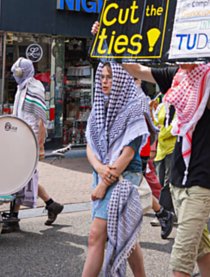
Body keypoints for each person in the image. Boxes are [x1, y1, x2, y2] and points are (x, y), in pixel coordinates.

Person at [92, 20, 210, 277]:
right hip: (178, 179)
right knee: (200, 251)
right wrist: (108, 39)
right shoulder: (177, 76)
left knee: (181, 257)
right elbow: (136, 69)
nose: (178, 58)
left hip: (203, 180)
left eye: (182, 52)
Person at [82, 62, 150, 277]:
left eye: (110, 77)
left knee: (96, 236)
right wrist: (99, 168)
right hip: (102, 173)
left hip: (123, 176)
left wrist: (104, 182)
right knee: (125, 234)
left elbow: (128, 153)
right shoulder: (100, 104)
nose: (104, 81)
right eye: (101, 76)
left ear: (122, 79)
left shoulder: (136, 106)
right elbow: (89, 144)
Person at [4, 58, 63, 232]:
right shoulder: (21, 87)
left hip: (29, 140)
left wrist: (41, 146)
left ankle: (14, 218)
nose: (16, 76)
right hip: (19, 138)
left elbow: (41, 121)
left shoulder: (34, 88)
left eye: (18, 72)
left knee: (20, 177)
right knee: (23, 177)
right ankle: (51, 205)